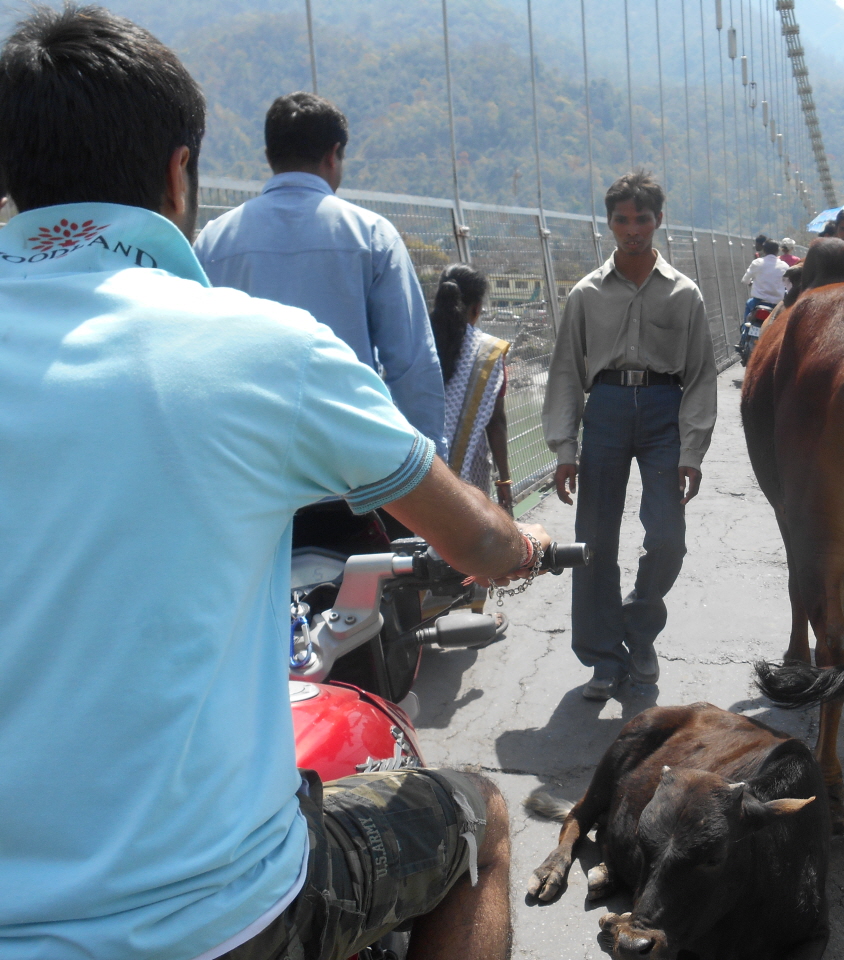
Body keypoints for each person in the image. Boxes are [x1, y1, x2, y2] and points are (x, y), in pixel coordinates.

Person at [0, 8, 548, 959]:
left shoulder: (222, 240)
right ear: (178, 170)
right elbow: (457, 490)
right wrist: (519, 546)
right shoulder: (272, 335)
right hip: (217, 911)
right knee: (479, 820)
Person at [542, 171, 717, 701]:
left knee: (668, 537)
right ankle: (600, 655)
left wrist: (693, 449)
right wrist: (565, 449)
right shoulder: (586, 294)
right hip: (608, 408)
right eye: (622, 219)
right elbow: (568, 372)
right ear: (610, 223)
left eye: (642, 218)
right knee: (594, 539)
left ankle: (639, 630)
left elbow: (703, 376)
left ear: (659, 221)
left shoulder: (685, 295)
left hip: (665, 407)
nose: (632, 228)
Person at [194, 92, 448, 457]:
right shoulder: (372, 235)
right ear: (334, 153)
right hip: (350, 468)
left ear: (269, 157)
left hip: (248, 463)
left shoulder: (214, 240)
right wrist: (431, 461)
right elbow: (410, 363)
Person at [432, 264, 514, 514]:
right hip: (468, 472)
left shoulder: (418, 342)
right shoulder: (486, 352)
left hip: (418, 468)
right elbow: (495, 422)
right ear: (477, 308)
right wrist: (504, 481)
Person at [742, 238, 788, 319]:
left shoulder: (757, 263)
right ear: (777, 251)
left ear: (764, 250)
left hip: (757, 303)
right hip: (777, 305)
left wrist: (750, 282)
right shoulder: (784, 266)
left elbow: (745, 280)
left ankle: (745, 330)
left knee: (748, 307)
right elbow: (788, 285)